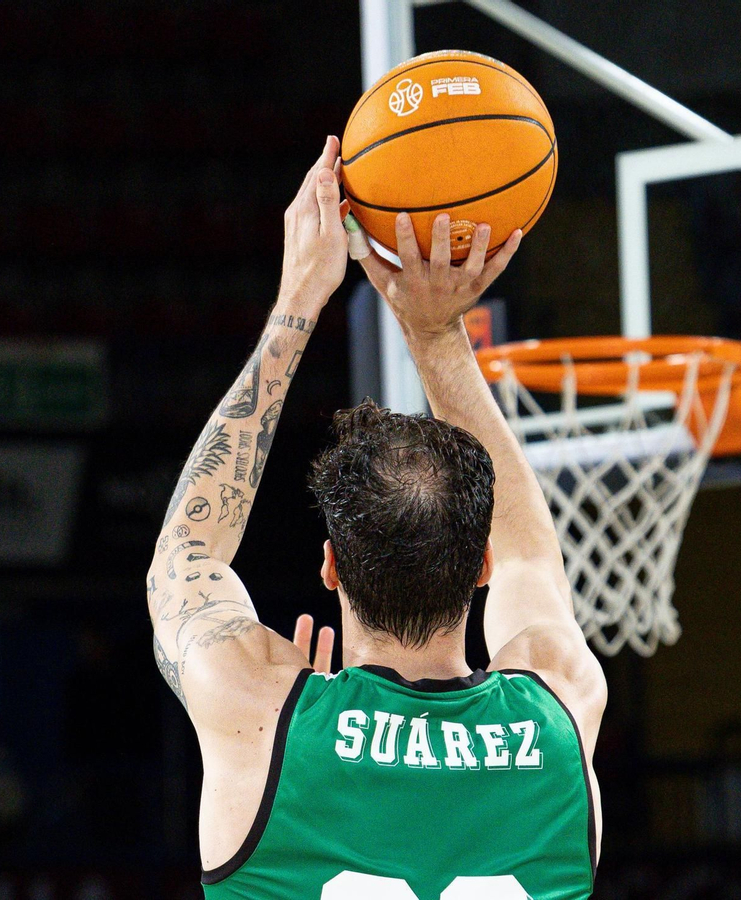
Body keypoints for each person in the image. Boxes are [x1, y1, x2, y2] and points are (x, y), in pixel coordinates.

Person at [147, 137, 606, 898]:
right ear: (479, 566)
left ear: (330, 566)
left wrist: (299, 298)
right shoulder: (561, 706)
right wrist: (436, 333)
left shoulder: (260, 713)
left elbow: (185, 554)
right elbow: (533, 555)